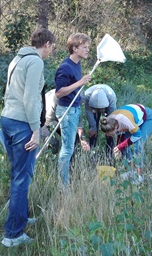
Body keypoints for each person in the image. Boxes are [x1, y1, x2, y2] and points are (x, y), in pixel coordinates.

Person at [0, 27, 55, 247]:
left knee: (18, 175)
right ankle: (12, 235)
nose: (51, 51)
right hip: (22, 124)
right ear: (48, 44)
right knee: (22, 178)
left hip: (8, 119)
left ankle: (20, 218)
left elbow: (9, 91)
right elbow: (31, 99)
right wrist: (35, 129)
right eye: (53, 47)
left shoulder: (17, 58)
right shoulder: (35, 61)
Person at [55, 32, 91, 187]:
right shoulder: (65, 67)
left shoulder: (77, 64)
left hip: (74, 110)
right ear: (75, 48)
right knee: (67, 149)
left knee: (70, 147)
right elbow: (59, 92)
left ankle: (65, 180)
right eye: (84, 47)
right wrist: (80, 83)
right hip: (66, 111)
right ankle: (63, 186)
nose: (88, 50)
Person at [100, 104, 152, 183]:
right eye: (107, 134)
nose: (109, 135)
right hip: (130, 118)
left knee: (138, 144)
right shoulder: (108, 121)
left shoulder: (126, 122)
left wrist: (120, 146)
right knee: (124, 146)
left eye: (110, 133)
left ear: (116, 127)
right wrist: (119, 148)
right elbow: (121, 138)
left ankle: (139, 175)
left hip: (148, 118)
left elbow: (138, 135)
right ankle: (132, 170)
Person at [41, 89, 90, 153]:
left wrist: (82, 139)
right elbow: (49, 121)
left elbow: (79, 122)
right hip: (43, 121)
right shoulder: (55, 99)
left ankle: (71, 161)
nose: (79, 105)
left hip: (60, 120)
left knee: (74, 137)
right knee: (53, 143)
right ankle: (51, 160)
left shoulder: (75, 104)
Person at [84, 84, 117, 157]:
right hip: (91, 108)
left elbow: (112, 116)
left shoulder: (111, 96)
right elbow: (88, 112)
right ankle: (92, 152)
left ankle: (109, 155)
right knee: (92, 131)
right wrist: (93, 127)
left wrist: (109, 129)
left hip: (107, 107)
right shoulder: (87, 95)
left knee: (110, 130)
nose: (98, 110)